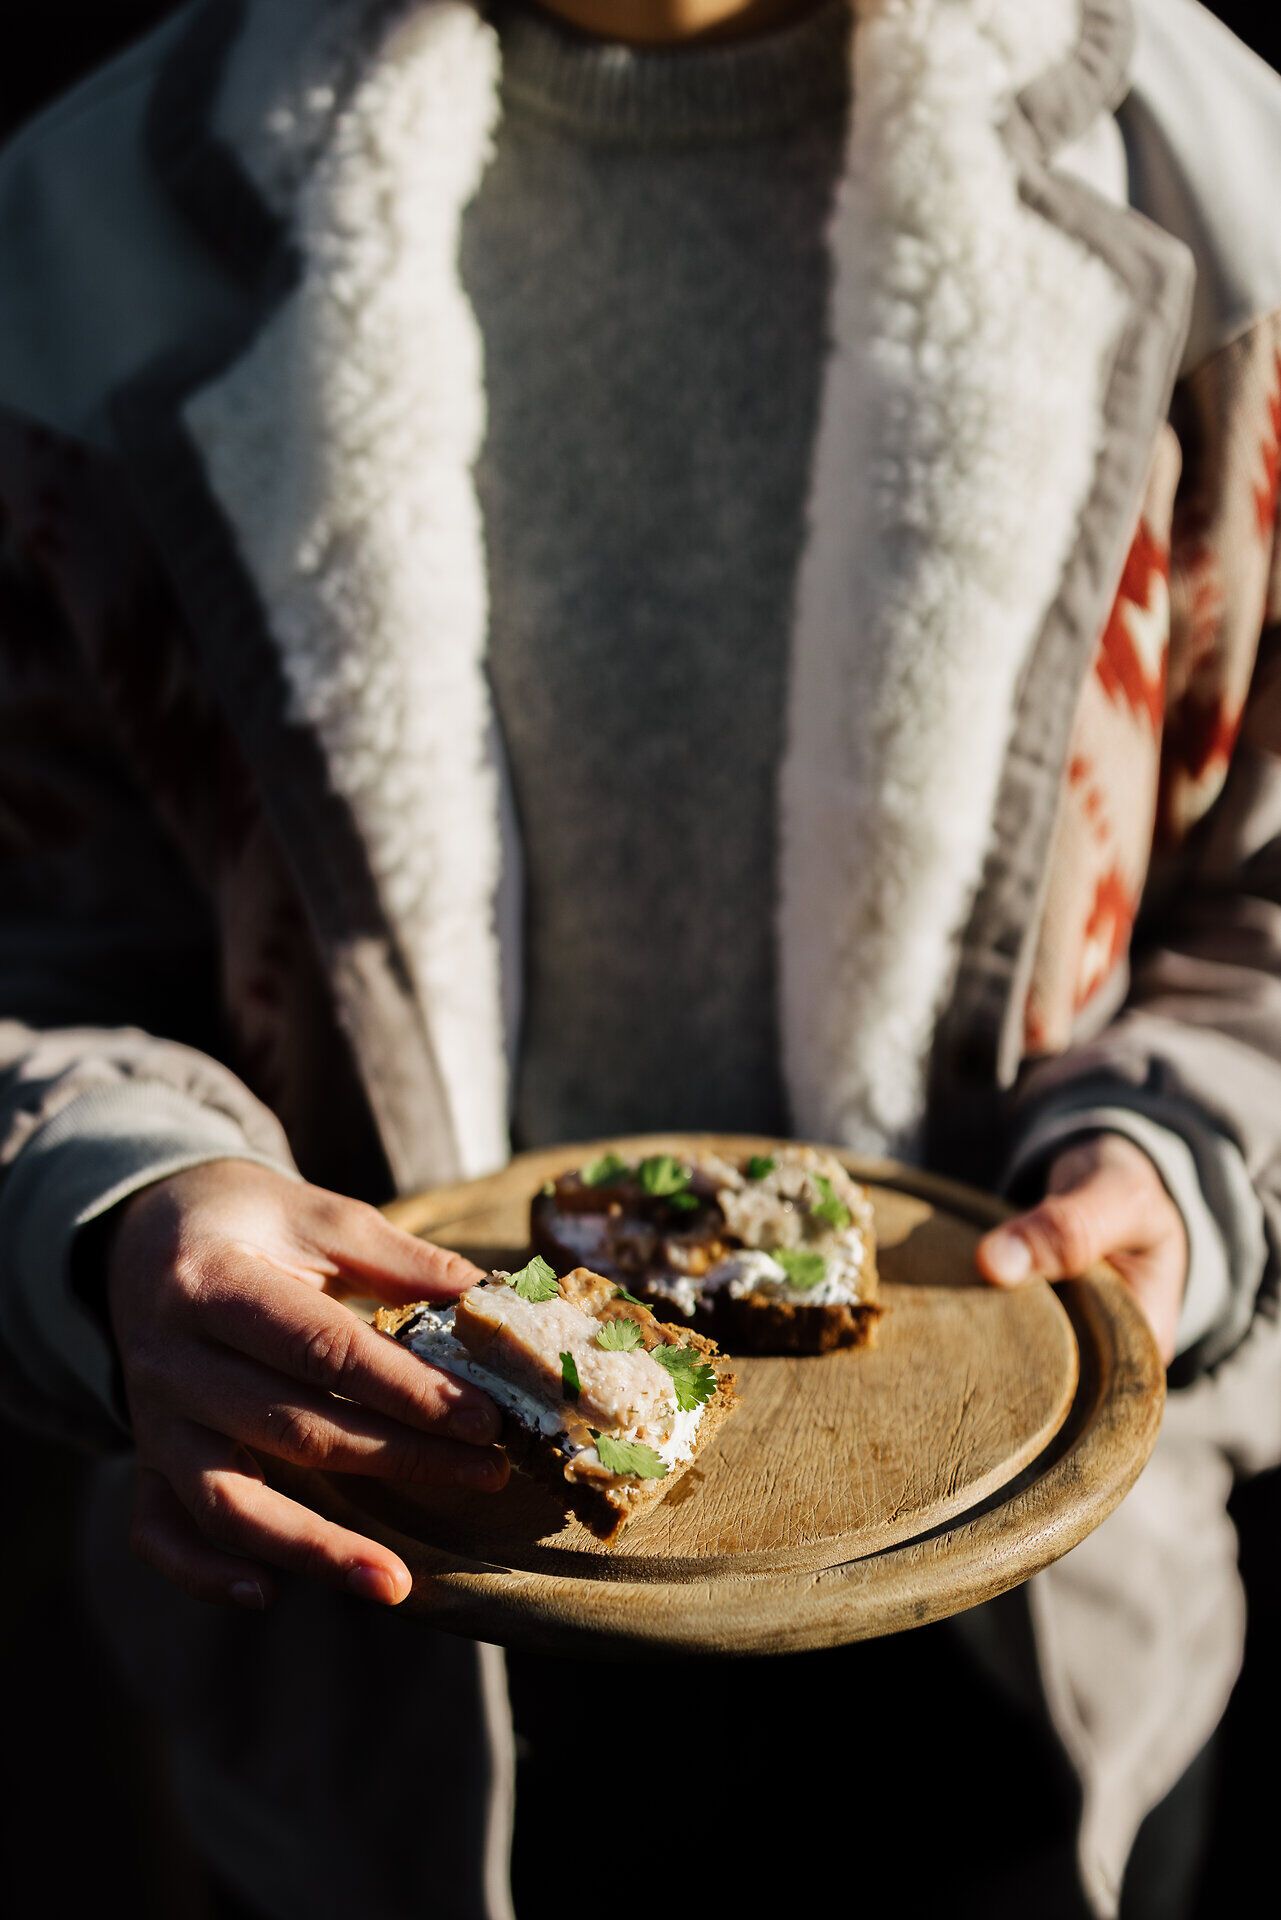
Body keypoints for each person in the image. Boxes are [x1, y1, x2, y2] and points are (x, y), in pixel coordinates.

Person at [1, 0, 1279, 1914]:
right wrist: (112, 1206)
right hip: (373, 1667)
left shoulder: (1224, 185)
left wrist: (1189, 1159)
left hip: (1032, 1660)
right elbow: (41, 931)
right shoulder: (81, 234)